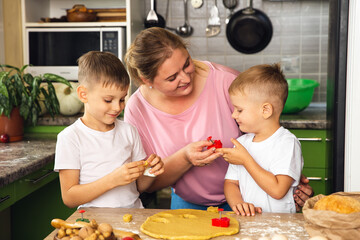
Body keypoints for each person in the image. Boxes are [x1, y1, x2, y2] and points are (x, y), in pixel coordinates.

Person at [124, 27, 313, 211]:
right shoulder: (137, 109)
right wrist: (185, 158)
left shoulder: (226, 80)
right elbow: (145, 184)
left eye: (187, 64)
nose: (186, 78)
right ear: (146, 80)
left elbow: (267, 136)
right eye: (172, 77)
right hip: (187, 204)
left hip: (248, 202)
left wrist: (290, 180)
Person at [54, 51, 164, 209]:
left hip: (133, 218)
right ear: (83, 94)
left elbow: (140, 186)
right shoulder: (70, 137)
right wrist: (113, 180)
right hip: (94, 223)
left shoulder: (129, 131)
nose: (117, 107)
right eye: (108, 100)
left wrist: (151, 172)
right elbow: (70, 198)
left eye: (121, 99)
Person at [217, 64, 303, 216]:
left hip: (280, 225)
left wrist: (246, 160)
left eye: (239, 110)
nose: (233, 115)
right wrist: (239, 204)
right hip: (249, 222)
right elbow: (230, 183)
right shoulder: (242, 143)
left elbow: (278, 190)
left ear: (266, 110)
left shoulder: (287, 143)